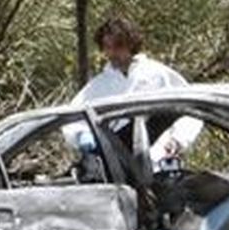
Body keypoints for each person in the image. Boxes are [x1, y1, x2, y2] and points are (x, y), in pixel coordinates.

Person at [67, 17, 202, 165]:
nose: (112, 52)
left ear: (131, 44)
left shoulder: (158, 75)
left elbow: (192, 110)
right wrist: (81, 136)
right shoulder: (98, 86)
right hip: (117, 169)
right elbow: (72, 119)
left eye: (118, 45)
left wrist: (177, 140)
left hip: (159, 163)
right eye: (107, 46)